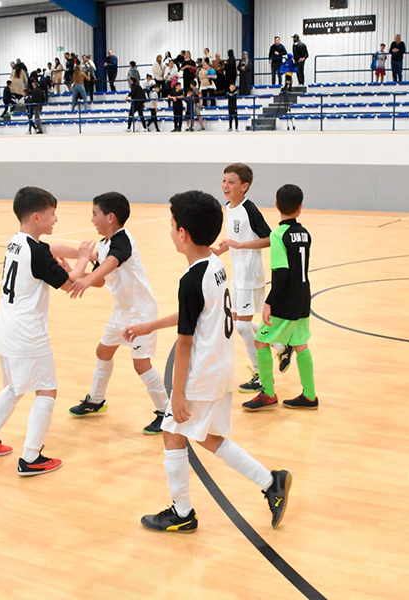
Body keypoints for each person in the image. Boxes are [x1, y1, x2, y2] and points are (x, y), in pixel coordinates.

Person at [121, 190, 292, 534]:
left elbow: (185, 342)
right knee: (203, 436)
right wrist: (150, 326)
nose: (171, 231)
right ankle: (269, 481)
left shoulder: (190, 279)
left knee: (173, 430)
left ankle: (183, 512)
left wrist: (177, 394)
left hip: (202, 373)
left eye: (172, 225)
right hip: (220, 368)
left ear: (182, 233)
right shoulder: (214, 265)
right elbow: (197, 314)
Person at [0, 187, 91, 476]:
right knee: (46, 390)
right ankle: (31, 458)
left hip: (5, 326)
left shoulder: (17, 242)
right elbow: (68, 283)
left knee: (15, 386)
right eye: (52, 214)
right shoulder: (35, 252)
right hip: (27, 332)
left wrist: (80, 256)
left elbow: (51, 251)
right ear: (37, 217)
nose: (56, 219)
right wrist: (85, 258)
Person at [61, 192, 169, 434]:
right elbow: (101, 279)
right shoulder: (104, 245)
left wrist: (87, 280)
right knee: (103, 351)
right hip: (122, 309)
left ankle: (166, 412)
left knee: (141, 364)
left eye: (94, 214)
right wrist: (74, 273)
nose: (92, 220)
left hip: (141, 312)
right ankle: (96, 400)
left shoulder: (123, 240)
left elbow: (111, 263)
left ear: (110, 217)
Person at [237, 184, 318, 411]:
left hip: (286, 299)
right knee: (300, 344)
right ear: (300, 207)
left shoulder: (278, 235)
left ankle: (268, 394)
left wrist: (269, 302)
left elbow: (282, 274)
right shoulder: (305, 233)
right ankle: (310, 395)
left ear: (276, 204)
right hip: (303, 296)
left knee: (260, 341)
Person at [211, 164, 288, 394]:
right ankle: (281, 344)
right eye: (224, 181)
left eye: (231, 182)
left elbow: (269, 238)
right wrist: (222, 250)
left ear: (244, 186)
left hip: (250, 275)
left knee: (243, 326)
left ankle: (260, 374)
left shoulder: (249, 209)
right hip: (238, 276)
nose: (225, 186)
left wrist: (241, 245)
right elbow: (236, 238)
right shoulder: (229, 207)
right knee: (238, 323)